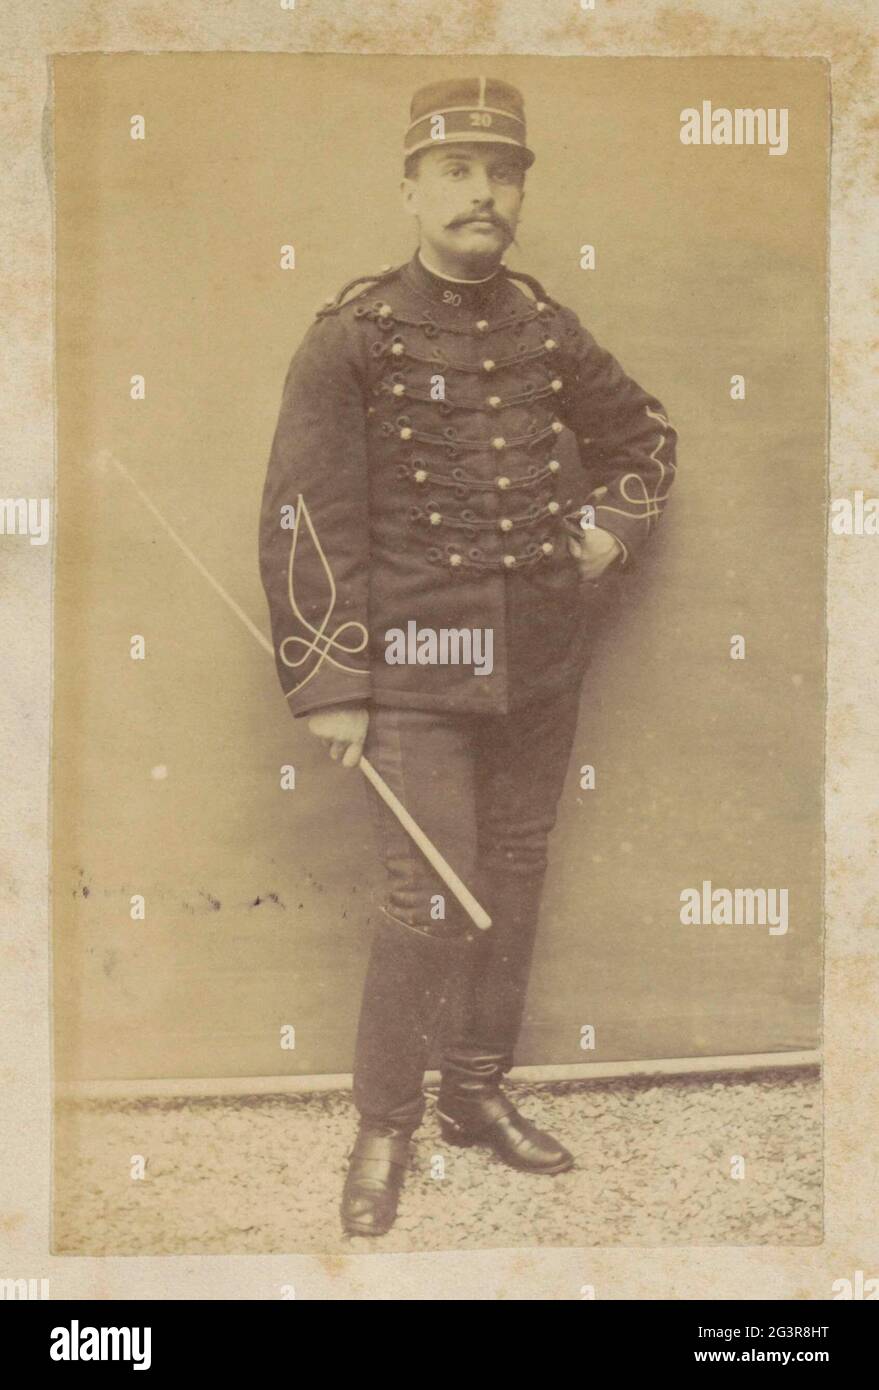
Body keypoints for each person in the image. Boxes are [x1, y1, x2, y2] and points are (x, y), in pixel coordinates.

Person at [259, 76, 678, 1237]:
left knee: (516, 874)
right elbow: (304, 514)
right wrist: (332, 682)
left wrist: (612, 527)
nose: (482, 193)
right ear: (410, 188)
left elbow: (642, 435)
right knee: (427, 900)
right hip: (414, 667)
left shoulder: (546, 329)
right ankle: (384, 1124)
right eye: (456, 171)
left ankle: (475, 1095)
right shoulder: (351, 335)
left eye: (503, 173)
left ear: (521, 193)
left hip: (541, 658)